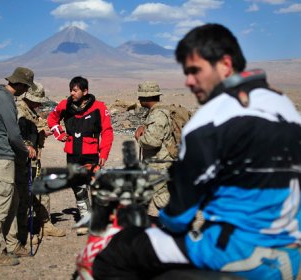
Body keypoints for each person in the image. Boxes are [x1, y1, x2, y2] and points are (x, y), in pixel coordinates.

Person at [93, 23, 301, 280]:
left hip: (238, 253)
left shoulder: (210, 120)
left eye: (195, 71)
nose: (188, 81)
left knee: (115, 254)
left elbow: (180, 218)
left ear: (225, 64)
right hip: (288, 252)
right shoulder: (285, 107)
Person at [0, 67, 37, 267]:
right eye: (26, 87)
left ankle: (12, 244)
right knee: (0, 205)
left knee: (12, 200)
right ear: (21, 84)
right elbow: (13, 135)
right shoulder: (5, 100)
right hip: (1, 157)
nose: (26, 91)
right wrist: (26, 151)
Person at [47, 76, 114, 235]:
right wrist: (59, 133)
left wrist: (104, 152)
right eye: (70, 90)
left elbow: (107, 131)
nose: (72, 93)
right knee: (78, 188)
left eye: (75, 90)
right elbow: (52, 118)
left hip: (91, 156)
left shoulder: (99, 107)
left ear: (85, 91)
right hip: (72, 155)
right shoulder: (65, 105)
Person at [15, 82, 66, 247]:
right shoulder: (19, 111)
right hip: (22, 160)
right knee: (24, 195)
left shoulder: (29, 111)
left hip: (33, 158)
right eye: (37, 100)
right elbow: (16, 135)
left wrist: (41, 133)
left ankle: (46, 224)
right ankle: (24, 232)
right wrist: (27, 146)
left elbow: (30, 132)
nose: (39, 104)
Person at [134, 81, 174, 210]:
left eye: (141, 96)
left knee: (162, 198)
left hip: (159, 164)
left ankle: (173, 226)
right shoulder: (158, 111)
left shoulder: (158, 114)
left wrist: (139, 137)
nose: (139, 99)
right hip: (159, 163)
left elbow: (152, 141)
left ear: (148, 97)